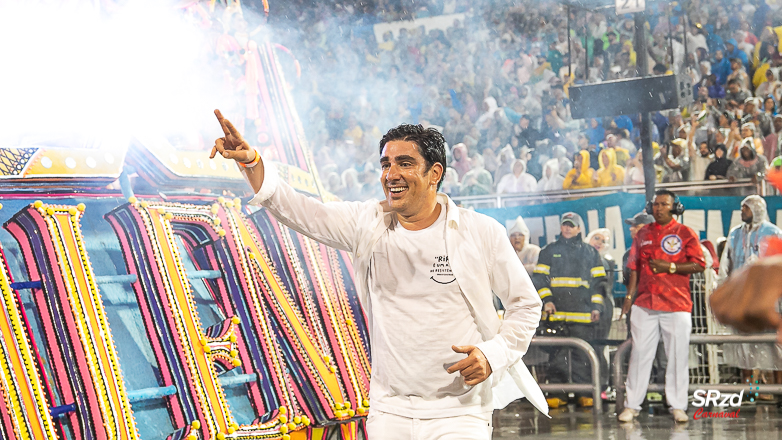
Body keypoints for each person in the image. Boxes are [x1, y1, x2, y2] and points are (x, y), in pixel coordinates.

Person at [209, 112, 547, 439]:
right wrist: (252, 163)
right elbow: (301, 210)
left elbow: (526, 305)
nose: (391, 174)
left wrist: (493, 354)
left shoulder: (480, 232)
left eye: (405, 163)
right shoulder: (367, 223)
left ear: (434, 173)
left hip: (460, 412)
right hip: (390, 411)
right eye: (386, 164)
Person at [618, 190, 705, 423]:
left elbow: (699, 264)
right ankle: (632, 405)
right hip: (645, 303)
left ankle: (678, 406)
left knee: (677, 356)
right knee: (639, 355)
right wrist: (629, 297)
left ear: (674, 207)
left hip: (676, 304)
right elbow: (633, 265)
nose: (658, 208)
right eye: (655, 204)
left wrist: (671, 267)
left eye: (664, 204)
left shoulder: (685, 233)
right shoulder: (643, 233)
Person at [532, 212, 607, 409]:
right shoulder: (548, 251)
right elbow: (540, 279)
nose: (567, 228)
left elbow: (599, 283)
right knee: (557, 356)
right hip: (556, 314)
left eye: (571, 225)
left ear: (579, 229)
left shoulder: (590, 253)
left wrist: (597, 306)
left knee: (582, 357)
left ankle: (584, 393)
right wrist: (547, 301)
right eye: (565, 225)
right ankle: (559, 394)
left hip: (582, 315)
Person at [718, 196, 782, 393]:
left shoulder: (774, 233)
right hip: (742, 297)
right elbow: (725, 264)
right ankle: (749, 391)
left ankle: (777, 389)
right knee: (743, 342)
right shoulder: (735, 234)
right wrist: (723, 286)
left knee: (774, 344)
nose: (741, 212)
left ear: (757, 209)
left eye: (745, 208)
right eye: (741, 208)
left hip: (768, 298)